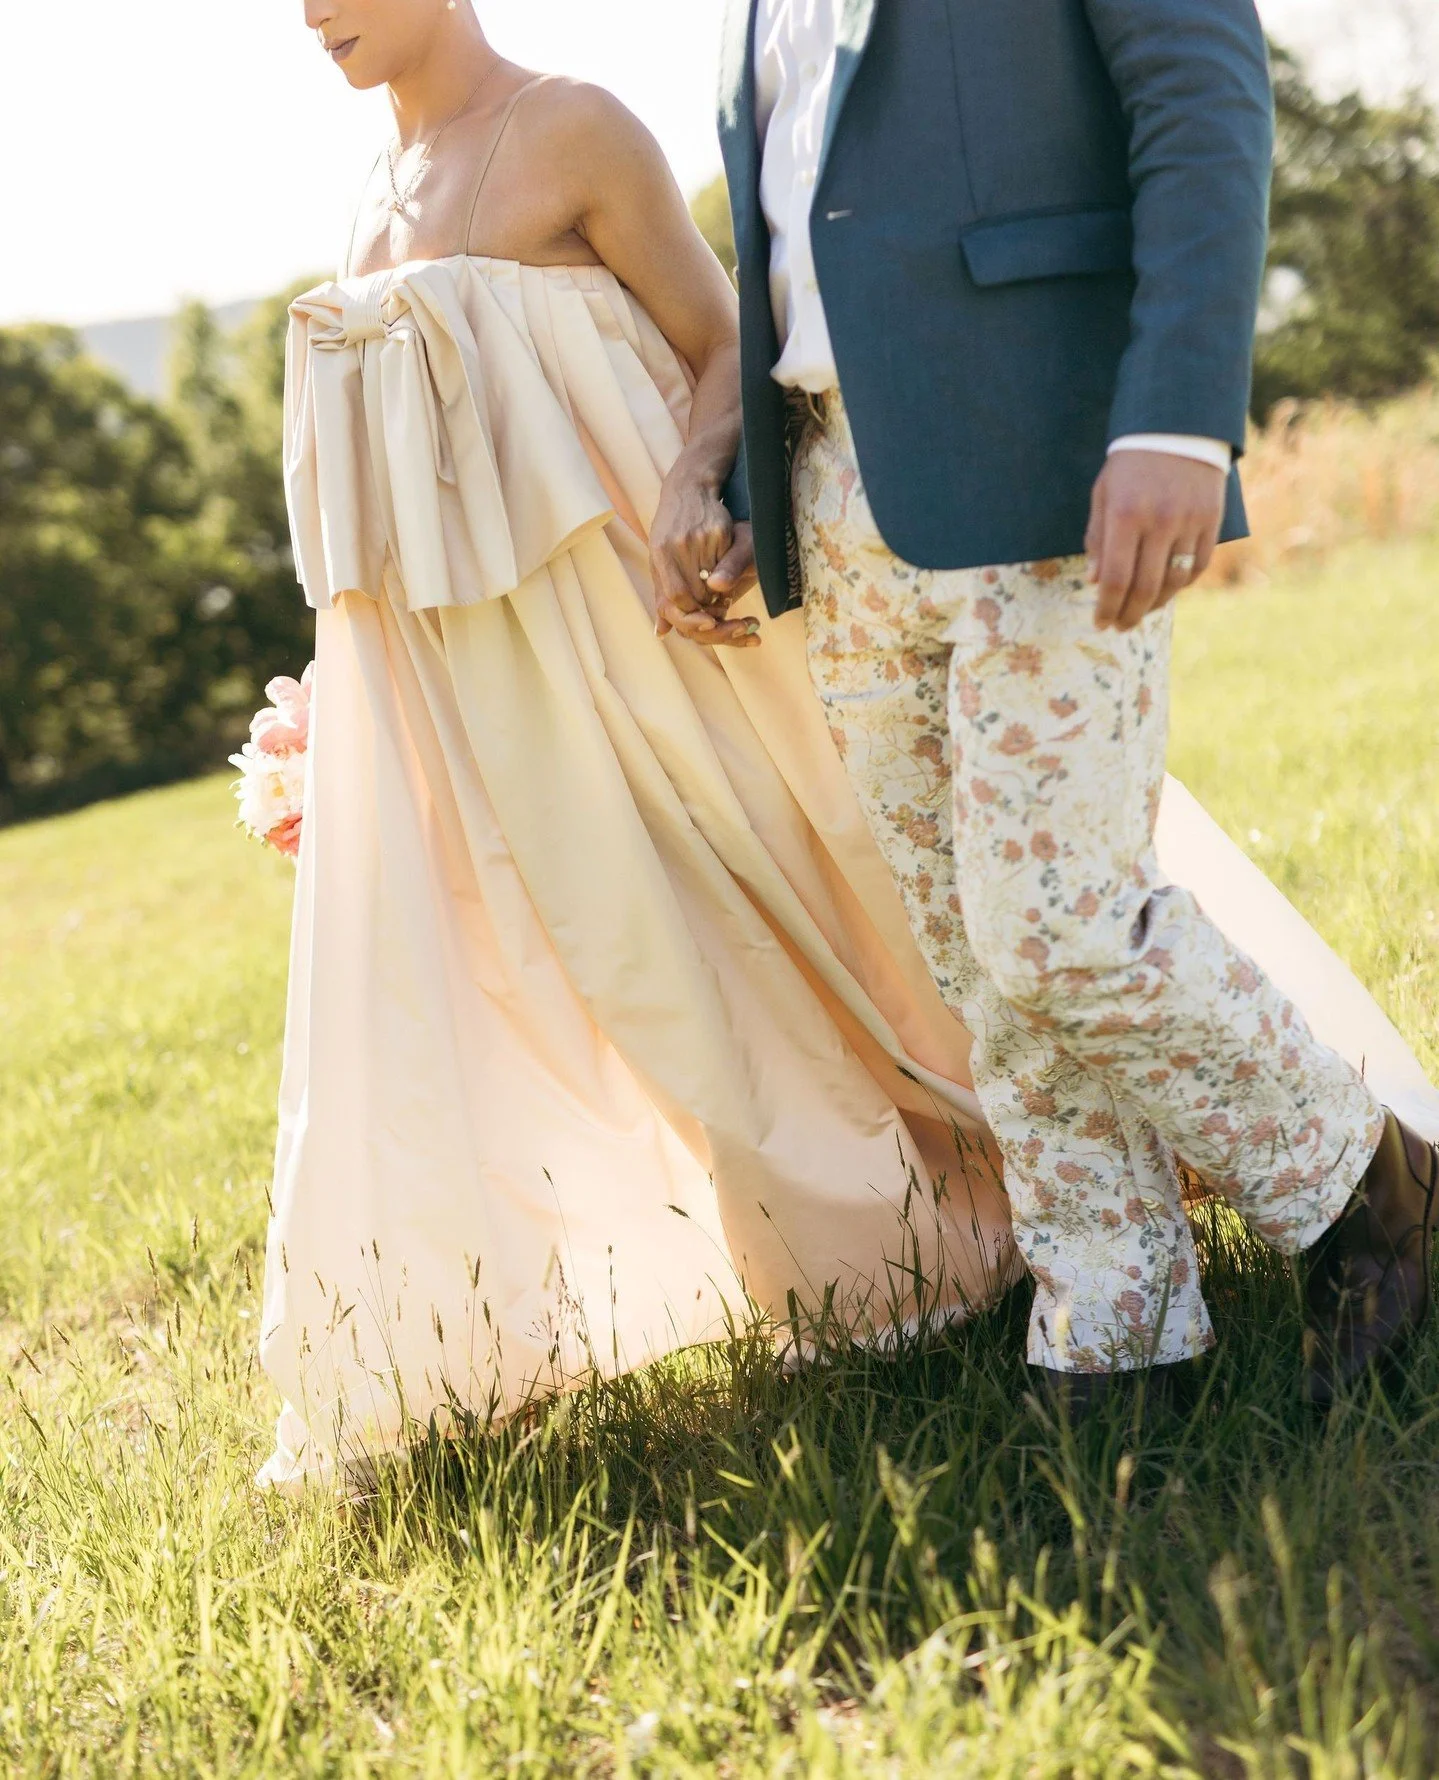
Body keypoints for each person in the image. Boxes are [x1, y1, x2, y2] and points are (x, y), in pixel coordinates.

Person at [264, 0, 1028, 1489]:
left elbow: (725, 335)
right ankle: (530, 1309)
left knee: (761, 898)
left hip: (634, 633)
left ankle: (941, 1216)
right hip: (476, 691)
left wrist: (697, 477)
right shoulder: (371, 196)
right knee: (584, 964)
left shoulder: (571, 126)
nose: (312, 11)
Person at [694, 0, 1439, 1411]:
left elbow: (1204, 97)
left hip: (1047, 442)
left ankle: (1367, 1176)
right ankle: (1115, 1323)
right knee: (974, 955)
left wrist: (1173, 413)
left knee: (1059, 927)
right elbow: (798, 241)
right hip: (833, 491)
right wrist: (747, 497)